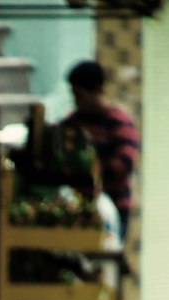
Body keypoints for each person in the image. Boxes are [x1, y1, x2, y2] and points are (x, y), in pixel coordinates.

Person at [63, 59, 140, 237]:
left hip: (114, 205)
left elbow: (124, 163)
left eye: (80, 95)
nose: (76, 101)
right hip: (81, 206)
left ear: (97, 90)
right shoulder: (73, 123)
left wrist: (89, 176)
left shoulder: (119, 123)